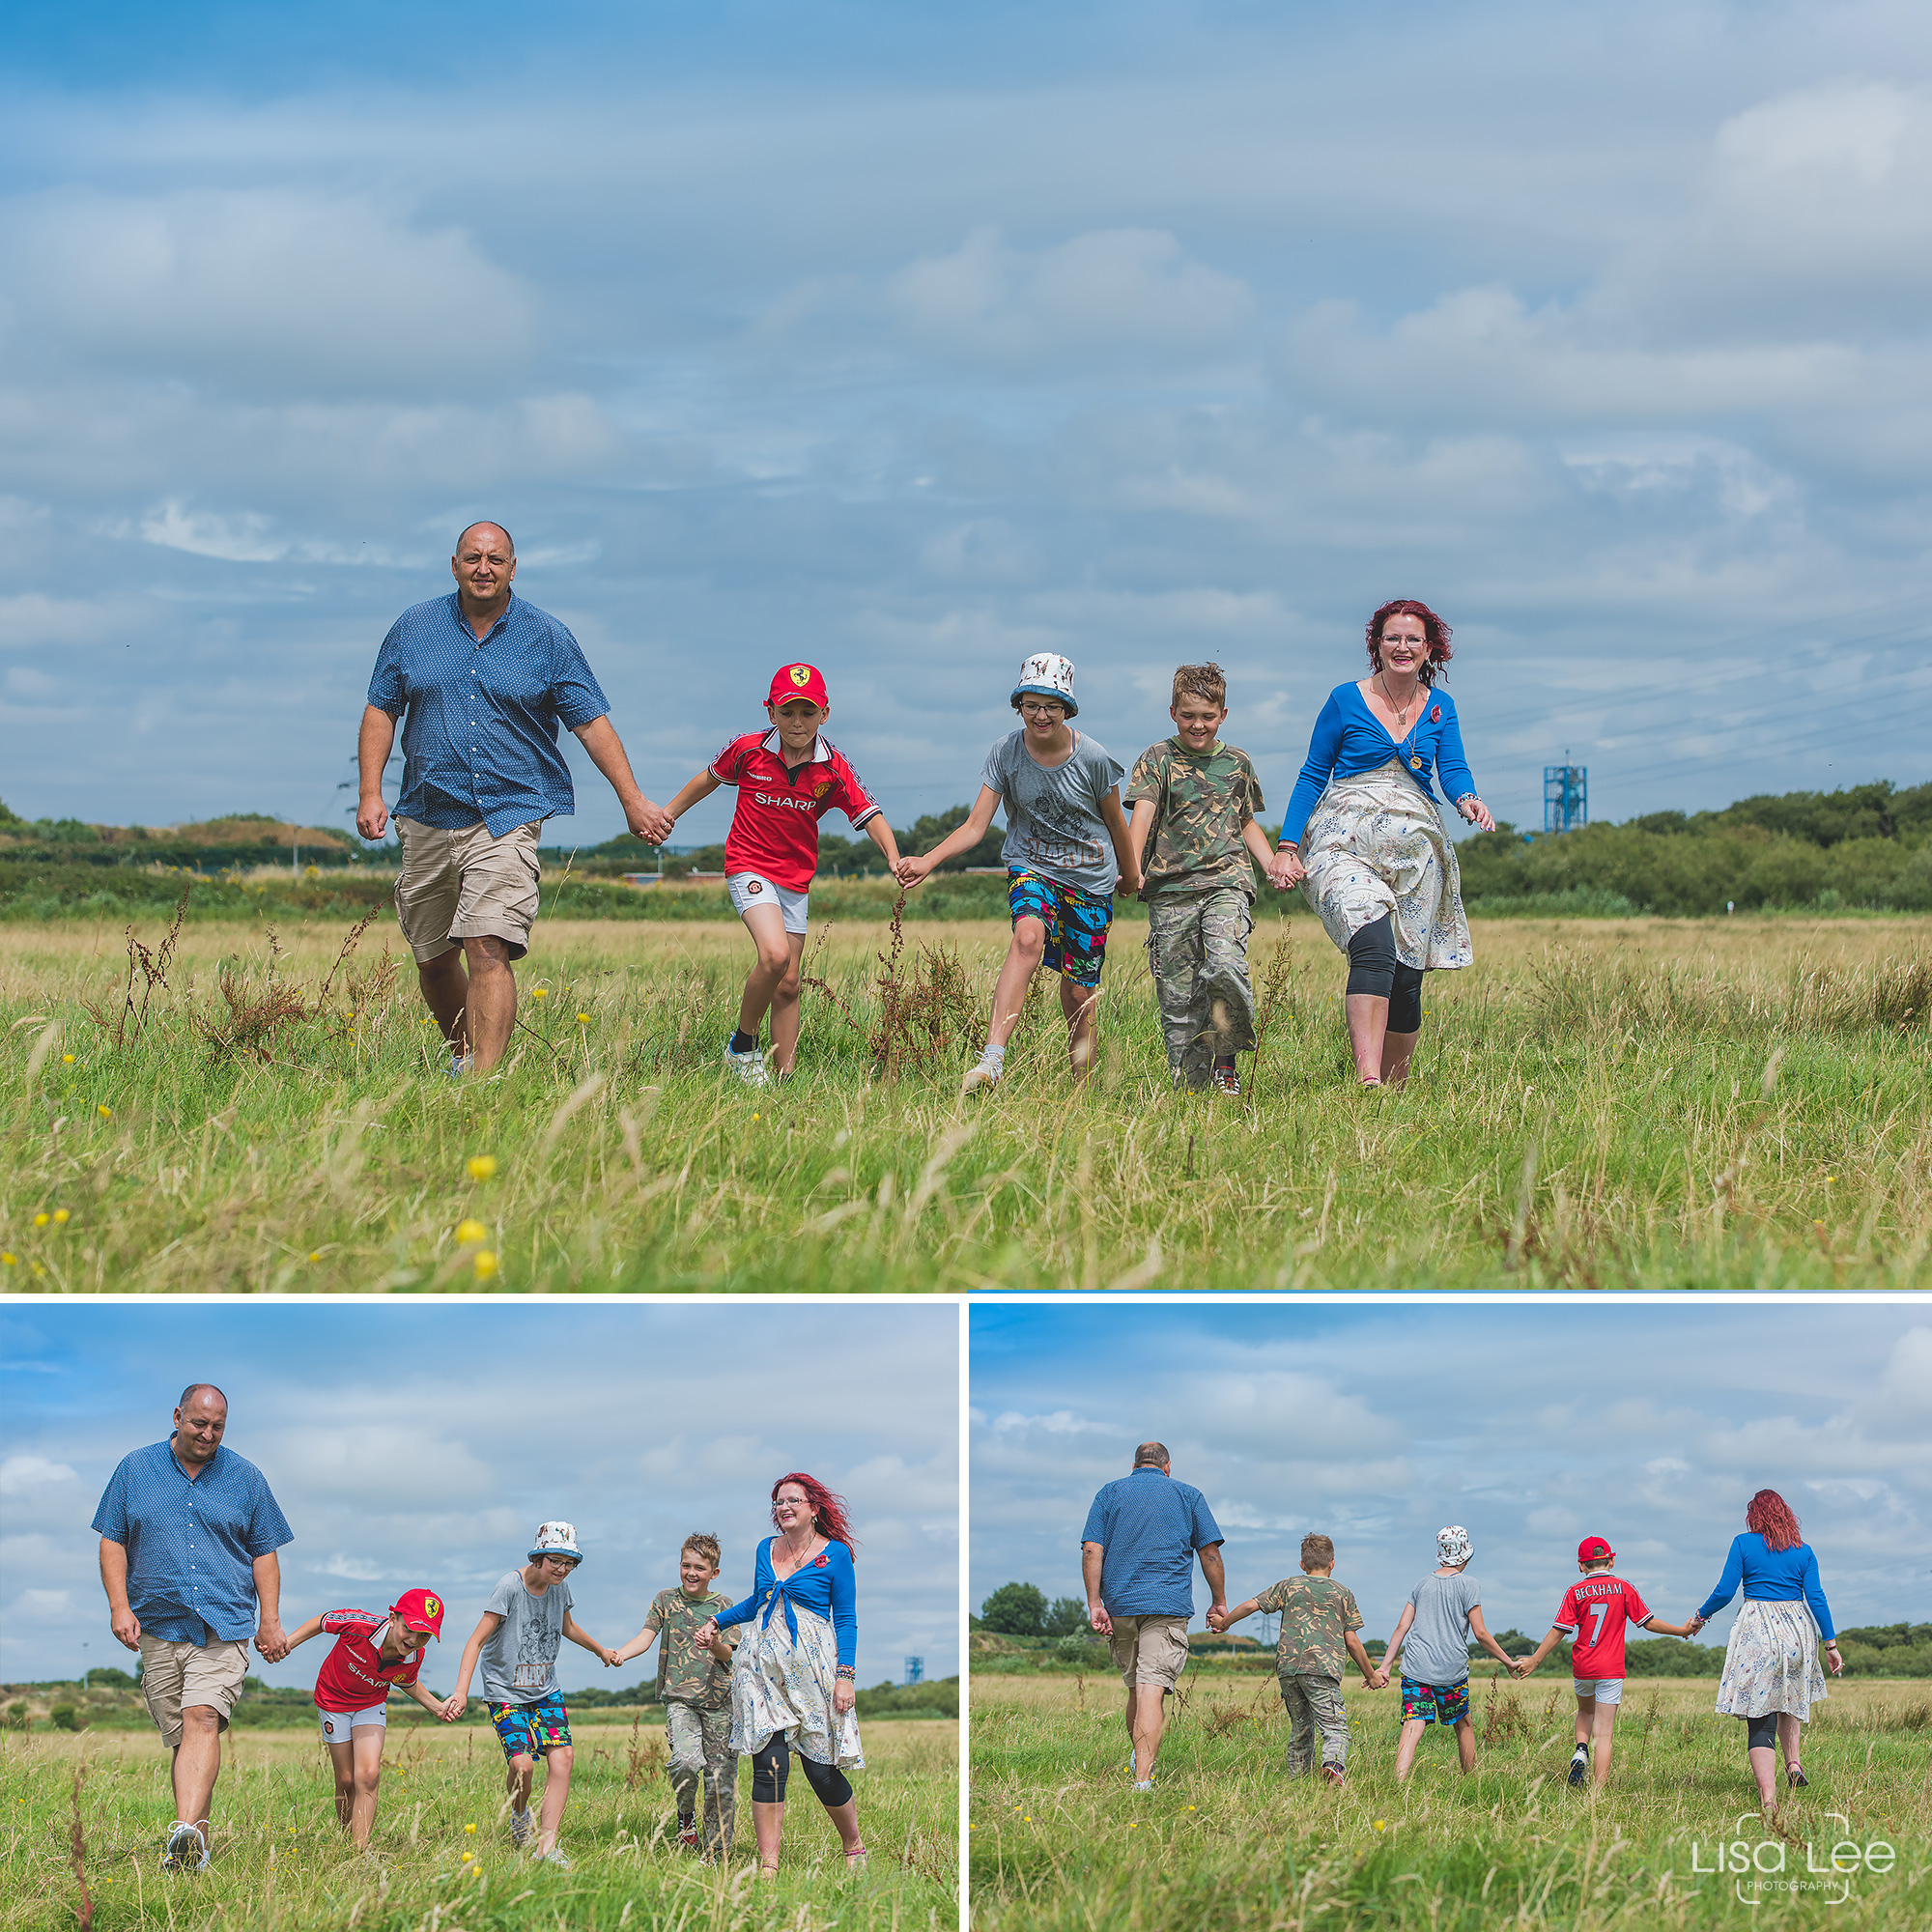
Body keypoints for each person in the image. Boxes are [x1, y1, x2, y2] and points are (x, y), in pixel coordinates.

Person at [356, 522, 673, 1074]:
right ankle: (464, 1054)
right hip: (427, 810)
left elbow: (591, 724)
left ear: (513, 567)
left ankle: (486, 1079)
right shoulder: (413, 629)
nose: (484, 568)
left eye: (495, 559)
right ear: (454, 564)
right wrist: (369, 791)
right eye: (473, 558)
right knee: (433, 959)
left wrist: (633, 799)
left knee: (487, 946)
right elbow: (381, 710)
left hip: (508, 816)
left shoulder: (547, 637)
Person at [1268, 599, 1495, 1089]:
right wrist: (1287, 846)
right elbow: (1312, 774)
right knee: (1372, 946)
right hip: (1342, 842)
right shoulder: (1344, 699)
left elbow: (1452, 770)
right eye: (1393, 637)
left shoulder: (1440, 706)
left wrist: (1469, 800)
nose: (1402, 646)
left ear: (1430, 648)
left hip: (1416, 849)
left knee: (1406, 976)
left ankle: (1394, 1088)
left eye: (1413, 639)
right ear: (1377, 644)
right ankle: (1368, 1081)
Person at [898, 653, 1140, 1093]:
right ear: (1019, 705)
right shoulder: (1005, 753)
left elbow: (1116, 825)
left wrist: (1129, 875)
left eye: (1051, 705)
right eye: (1032, 704)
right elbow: (976, 826)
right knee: (1027, 938)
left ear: (1067, 708)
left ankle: (1082, 1092)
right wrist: (928, 860)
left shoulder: (1093, 758)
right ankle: (992, 1060)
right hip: (1032, 866)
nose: (1041, 714)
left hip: (1090, 878)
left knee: (1078, 994)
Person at [659, 664, 901, 1087]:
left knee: (789, 983)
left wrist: (894, 858)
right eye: (788, 712)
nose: (797, 723)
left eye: (808, 713)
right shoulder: (748, 750)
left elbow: (869, 814)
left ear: (824, 714)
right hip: (748, 864)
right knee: (774, 956)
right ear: (771, 712)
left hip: (795, 879)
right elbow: (708, 779)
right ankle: (743, 1045)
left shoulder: (834, 769)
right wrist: (667, 816)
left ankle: (784, 1080)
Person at [91, 1383, 295, 1874]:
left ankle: (180, 1834)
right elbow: (112, 1541)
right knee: (185, 1739)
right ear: (178, 1415)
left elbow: (265, 1552)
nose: (208, 1434)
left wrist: (270, 1620)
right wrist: (119, 1606)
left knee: (203, 1717)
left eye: (218, 1426)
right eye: (199, 1423)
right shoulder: (134, 1469)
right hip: (158, 1626)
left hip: (223, 1625)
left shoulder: (246, 1478)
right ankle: (195, 1845)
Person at [695, 1474, 867, 1878]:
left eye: (793, 1500)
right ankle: (768, 1864)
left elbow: (845, 1618)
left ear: (813, 1507)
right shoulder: (764, 1549)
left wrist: (846, 1675)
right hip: (760, 1667)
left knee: (821, 1769)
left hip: (813, 1669)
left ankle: (853, 1845)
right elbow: (760, 1601)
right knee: (769, 1764)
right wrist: (717, 1621)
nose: (783, 1507)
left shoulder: (836, 1554)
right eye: (778, 1502)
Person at [1124, 663, 1276, 1096]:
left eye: (1207, 717)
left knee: (1225, 965)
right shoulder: (1158, 759)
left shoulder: (1237, 762)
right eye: (1189, 716)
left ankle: (1226, 1064)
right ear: (1173, 712)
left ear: (1223, 715)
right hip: (1170, 891)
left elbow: (1245, 821)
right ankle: (1190, 1091)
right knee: (1179, 999)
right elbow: (1143, 815)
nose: (1198, 725)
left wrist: (1272, 864)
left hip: (1226, 882)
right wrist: (1132, 867)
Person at [445, 1521, 622, 1869]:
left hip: (545, 1690)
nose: (561, 1569)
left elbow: (567, 1627)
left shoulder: (561, 1589)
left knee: (563, 1759)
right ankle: (519, 1813)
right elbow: (476, 1640)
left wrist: (600, 1650)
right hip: (505, 1692)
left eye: (568, 1563)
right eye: (555, 1560)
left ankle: (546, 1846)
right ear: (539, 1556)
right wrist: (461, 1692)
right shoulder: (509, 1587)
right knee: (522, 1766)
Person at [1080, 1441, 1225, 1791]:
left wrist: (1094, 1602)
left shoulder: (1109, 1493)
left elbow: (1091, 1549)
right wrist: (1218, 1601)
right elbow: (1209, 1554)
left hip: (1120, 1605)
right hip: (1166, 1603)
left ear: (1134, 1465)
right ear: (1168, 1466)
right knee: (1150, 1690)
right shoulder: (1188, 1495)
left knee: (1135, 1687)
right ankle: (1142, 1781)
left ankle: (1138, 1758)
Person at [1688, 1489, 1842, 1808]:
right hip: (1799, 1631)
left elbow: (1724, 1590)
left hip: (1759, 1629)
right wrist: (1831, 1644)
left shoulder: (1743, 1543)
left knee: (1761, 1715)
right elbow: (1817, 1597)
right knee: (1789, 1699)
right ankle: (1794, 1764)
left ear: (1753, 1516)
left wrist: (1701, 1616)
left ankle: (1769, 1799)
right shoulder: (1804, 1551)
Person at [1514, 1536, 1698, 1789]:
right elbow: (1648, 1622)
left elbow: (1558, 1630)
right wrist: (1680, 1630)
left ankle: (1580, 1749)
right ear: (1611, 1561)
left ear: (1581, 1566)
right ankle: (1598, 1792)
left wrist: (1535, 1661)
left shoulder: (1574, 1592)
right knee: (1604, 1734)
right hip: (1611, 1668)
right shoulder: (1624, 1588)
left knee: (1585, 1711)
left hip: (1583, 1666)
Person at [1208, 1532, 1385, 1787]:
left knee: (1301, 1727)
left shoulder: (1289, 1585)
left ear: (1302, 1565)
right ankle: (1333, 1767)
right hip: (1322, 1670)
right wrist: (1370, 1675)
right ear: (1332, 1563)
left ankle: (1298, 1783)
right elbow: (1352, 1642)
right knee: (1335, 1728)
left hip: (1289, 1670)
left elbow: (1250, 1605)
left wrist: (1224, 1622)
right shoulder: (1343, 1593)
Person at [279, 1589, 452, 1848]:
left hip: (370, 1704)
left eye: (425, 1635)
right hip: (333, 1701)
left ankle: (360, 1852)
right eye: (410, 1629)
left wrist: (438, 1708)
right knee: (346, 1781)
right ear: (393, 1618)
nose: (415, 1640)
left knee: (369, 1775)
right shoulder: (359, 1625)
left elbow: (406, 1681)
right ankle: (345, 1838)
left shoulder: (414, 1656)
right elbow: (322, 1621)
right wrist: (287, 1644)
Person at [610, 1533, 740, 1861]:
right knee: (685, 1761)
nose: (691, 1573)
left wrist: (714, 1644)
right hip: (680, 1698)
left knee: (719, 1781)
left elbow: (729, 1654)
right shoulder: (666, 1600)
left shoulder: (726, 1607)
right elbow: (645, 1636)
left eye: (700, 1567)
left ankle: (716, 1852)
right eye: (686, 1565)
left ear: (714, 1573)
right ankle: (685, 1816)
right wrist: (621, 1654)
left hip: (720, 1703)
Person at [1381, 1526, 1520, 1781]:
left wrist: (1385, 1666)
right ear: (1466, 1556)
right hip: (1451, 1672)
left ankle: (1397, 1784)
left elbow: (1402, 1627)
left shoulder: (1421, 1584)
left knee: (1413, 1726)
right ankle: (1470, 1779)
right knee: (1463, 1724)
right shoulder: (1470, 1585)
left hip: (1416, 1668)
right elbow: (1480, 1633)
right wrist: (1508, 1661)